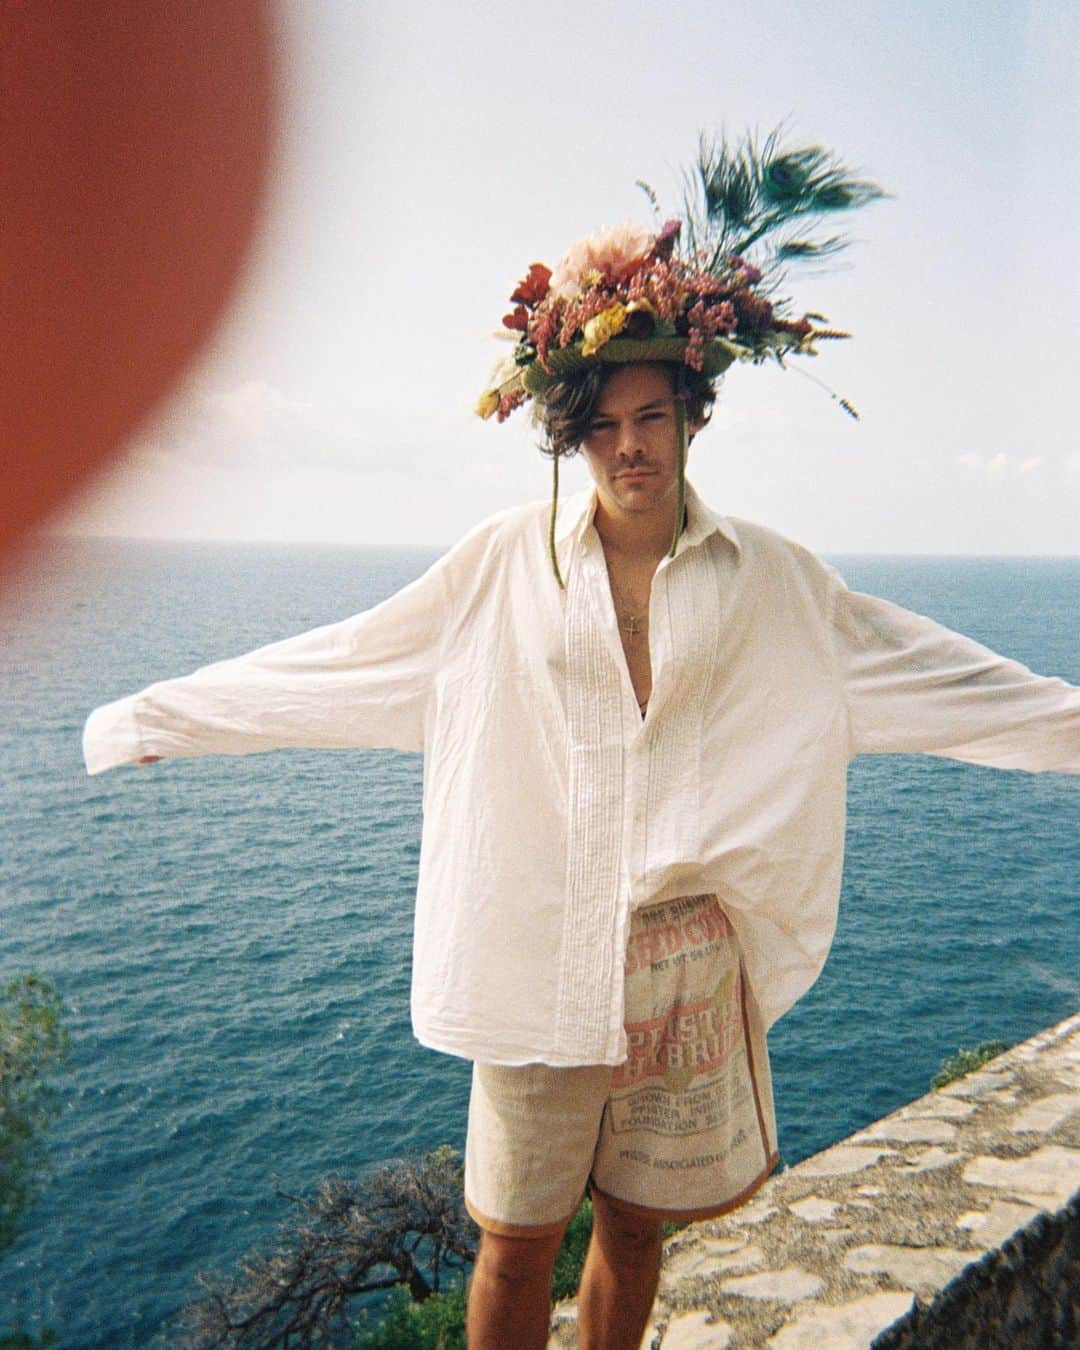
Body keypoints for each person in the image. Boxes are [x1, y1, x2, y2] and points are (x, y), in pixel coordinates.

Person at [83, 138, 1079, 1349]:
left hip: (681, 961)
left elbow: (939, 674)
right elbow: (347, 662)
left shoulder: (775, 581)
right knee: (512, 1244)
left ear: (693, 417)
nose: (631, 448)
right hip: (539, 956)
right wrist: (160, 719)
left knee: (639, 1231)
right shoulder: (504, 566)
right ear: (572, 436)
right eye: (604, 428)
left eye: (653, 417)